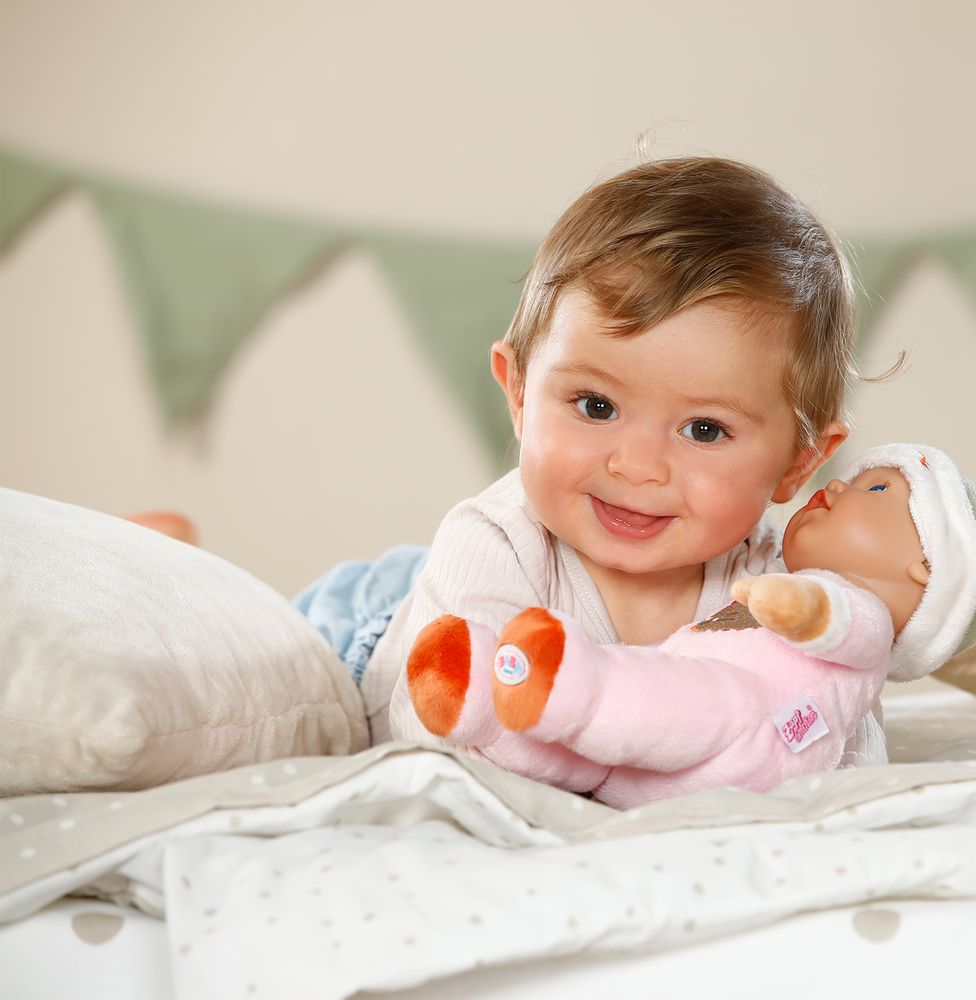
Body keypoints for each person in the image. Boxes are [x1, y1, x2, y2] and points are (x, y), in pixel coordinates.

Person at [296, 157, 880, 761]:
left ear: (799, 463)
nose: (637, 466)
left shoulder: (780, 591)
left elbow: (836, 728)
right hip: (371, 628)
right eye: (597, 406)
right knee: (285, 665)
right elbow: (461, 740)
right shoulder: (493, 543)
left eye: (704, 430)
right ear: (520, 393)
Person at [403, 444, 976, 809]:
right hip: (381, 613)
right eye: (595, 407)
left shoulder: (840, 619)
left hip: (714, 723)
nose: (835, 485)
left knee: (628, 728)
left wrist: (805, 609)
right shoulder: (497, 532)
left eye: (875, 487)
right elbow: (422, 749)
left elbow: (852, 741)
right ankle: (495, 699)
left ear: (927, 566)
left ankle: (544, 703)